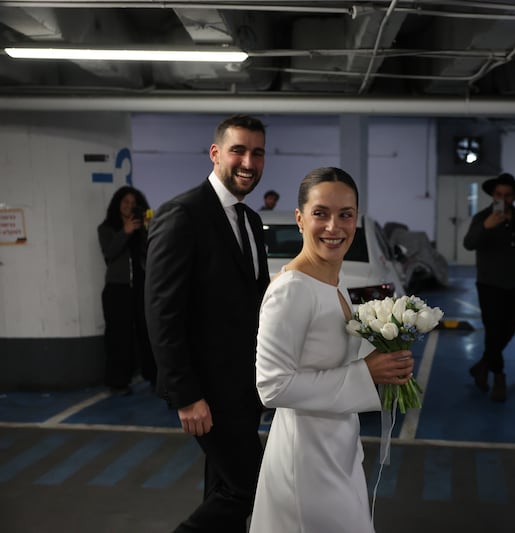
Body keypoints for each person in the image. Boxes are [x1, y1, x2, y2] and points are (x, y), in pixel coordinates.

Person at [249, 167, 413, 533]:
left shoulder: (333, 287)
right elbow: (271, 386)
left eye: (346, 214)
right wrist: (365, 373)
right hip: (305, 457)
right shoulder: (292, 289)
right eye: (320, 213)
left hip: (337, 446)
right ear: (300, 218)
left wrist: (388, 365)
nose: (334, 227)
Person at [144, 114, 270, 532]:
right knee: (251, 486)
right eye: (238, 150)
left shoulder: (250, 222)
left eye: (257, 152)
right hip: (206, 391)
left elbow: (254, 300)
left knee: (223, 487)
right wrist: (186, 395)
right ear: (216, 153)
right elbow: (163, 312)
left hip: (243, 388)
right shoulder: (182, 214)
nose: (248, 161)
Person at [463, 172, 515, 402]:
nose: (502, 198)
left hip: (514, 284)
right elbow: (469, 243)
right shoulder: (483, 217)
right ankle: (498, 376)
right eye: (498, 194)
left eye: (507, 195)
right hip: (489, 284)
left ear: (514, 197)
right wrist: (486, 226)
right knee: (493, 331)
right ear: (493, 195)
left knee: (510, 329)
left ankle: (482, 366)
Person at [97, 185, 156, 395]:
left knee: (148, 334)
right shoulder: (106, 228)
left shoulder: (142, 226)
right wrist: (125, 232)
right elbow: (110, 252)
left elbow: (152, 253)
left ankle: (155, 378)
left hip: (141, 289)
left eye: (133, 203)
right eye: (125, 202)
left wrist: (148, 230)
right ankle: (118, 382)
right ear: (117, 204)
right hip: (117, 290)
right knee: (118, 336)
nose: (129, 206)